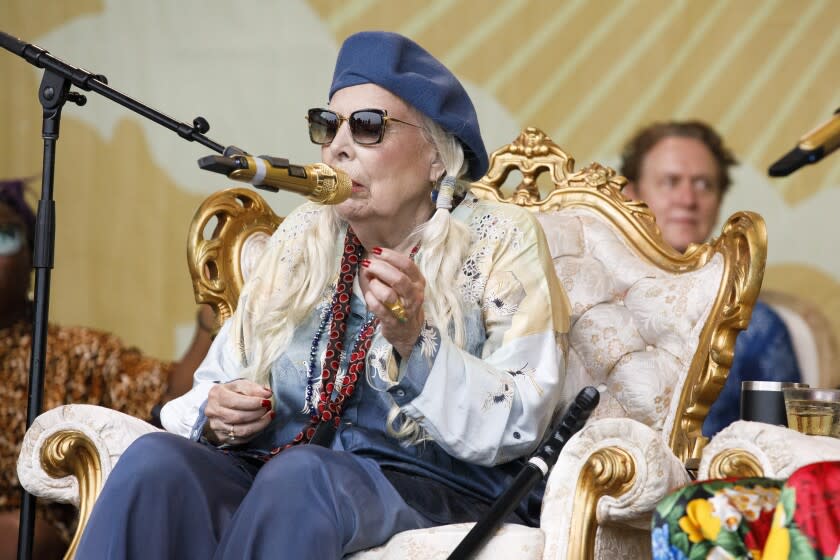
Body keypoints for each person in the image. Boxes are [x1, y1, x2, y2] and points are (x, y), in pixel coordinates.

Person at [75, 31, 570, 559]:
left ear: (436, 156)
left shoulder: (500, 238)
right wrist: (218, 415)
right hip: (281, 468)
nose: (337, 146)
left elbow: (522, 415)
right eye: (326, 125)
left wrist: (412, 341)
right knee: (156, 462)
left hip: (427, 486)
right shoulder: (302, 236)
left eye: (368, 127)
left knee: (302, 476)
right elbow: (219, 378)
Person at [0, 178, 214, 559]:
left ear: (32, 255)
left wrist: (211, 318)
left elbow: (171, 404)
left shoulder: (77, 353)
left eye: (4, 236)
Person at [619, 120, 802, 437]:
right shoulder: (585, 302)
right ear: (631, 193)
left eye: (704, 184)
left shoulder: (756, 325)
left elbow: (783, 452)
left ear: (719, 201)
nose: (688, 200)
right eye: (670, 181)